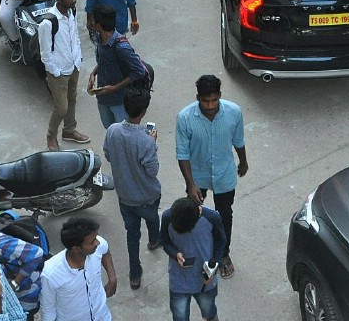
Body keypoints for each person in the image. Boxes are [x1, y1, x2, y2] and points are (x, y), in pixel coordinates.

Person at [175, 74, 248, 280]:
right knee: (192, 213)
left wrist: (243, 162)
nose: (209, 105)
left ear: (220, 96)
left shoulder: (234, 112)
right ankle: (188, 251)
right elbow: (182, 154)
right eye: (205, 101)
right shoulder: (185, 118)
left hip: (224, 173)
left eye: (214, 100)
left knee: (225, 215)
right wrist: (190, 184)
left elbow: (239, 140)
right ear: (198, 97)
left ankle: (223, 254)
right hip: (197, 175)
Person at [103, 90, 161, 290]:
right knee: (153, 220)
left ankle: (135, 274)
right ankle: (154, 241)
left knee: (132, 234)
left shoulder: (112, 130)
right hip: (147, 196)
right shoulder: (146, 139)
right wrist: (153, 143)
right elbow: (152, 171)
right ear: (144, 112)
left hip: (125, 197)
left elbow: (108, 154)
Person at [40, 0, 90, 151]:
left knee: (72, 99)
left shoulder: (72, 11)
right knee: (61, 108)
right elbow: (45, 53)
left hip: (74, 65)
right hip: (59, 71)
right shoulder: (48, 23)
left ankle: (69, 130)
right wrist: (55, 71)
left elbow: (74, 35)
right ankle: (50, 135)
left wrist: (78, 57)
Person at [160, 197, 227, 321]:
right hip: (178, 281)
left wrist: (214, 265)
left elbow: (220, 240)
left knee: (209, 312)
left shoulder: (212, 218)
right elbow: (164, 240)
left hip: (205, 282)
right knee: (180, 316)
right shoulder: (168, 217)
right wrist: (175, 254)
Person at [40, 217, 116, 321]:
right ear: (76, 248)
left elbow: (105, 250)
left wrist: (112, 278)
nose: (97, 242)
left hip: (103, 316)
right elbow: (48, 311)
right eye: (92, 241)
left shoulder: (97, 247)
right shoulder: (51, 273)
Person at [89, 5, 147, 128]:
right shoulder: (99, 39)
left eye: (93, 20)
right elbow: (104, 61)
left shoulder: (121, 47)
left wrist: (114, 88)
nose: (90, 22)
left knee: (123, 132)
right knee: (109, 129)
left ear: (98, 25)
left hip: (120, 101)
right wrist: (93, 74)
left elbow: (139, 71)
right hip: (103, 98)